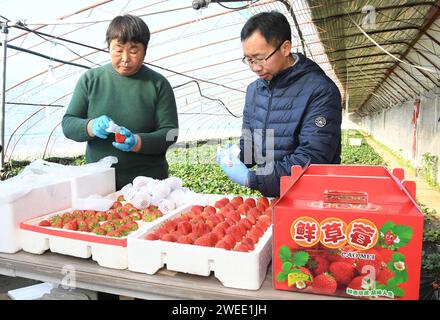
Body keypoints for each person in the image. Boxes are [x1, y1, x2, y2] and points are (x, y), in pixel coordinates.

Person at [217, 11, 342, 197]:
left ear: (285, 48)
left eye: (260, 58)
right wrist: (236, 155)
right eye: (249, 60)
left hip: (310, 199)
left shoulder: (320, 90)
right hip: (273, 195)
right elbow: (253, 147)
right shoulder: (254, 91)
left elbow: (312, 157)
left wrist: (253, 179)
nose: (255, 67)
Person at [62, 14, 178, 190]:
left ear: (145, 50)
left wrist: (137, 142)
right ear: (109, 47)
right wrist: (90, 126)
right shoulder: (91, 80)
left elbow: (171, 133)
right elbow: (68, 124)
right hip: (100, 184)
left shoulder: (158, 84)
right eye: (118, 49)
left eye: (133, 51)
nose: (125, 58)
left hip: (150, 185)